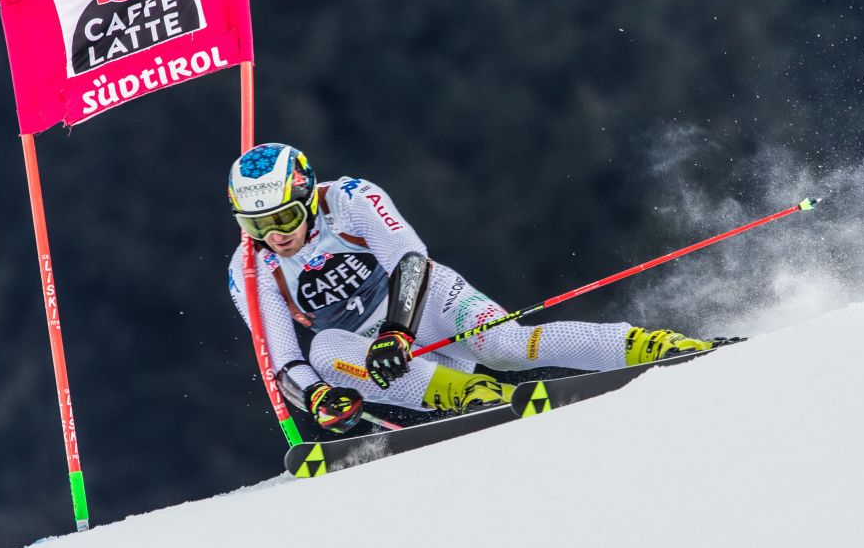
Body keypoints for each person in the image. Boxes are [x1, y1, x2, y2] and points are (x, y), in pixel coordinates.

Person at [227, 142, 722, 435]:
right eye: (256, 225)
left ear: (306, 197)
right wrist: (316, 399)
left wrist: (398, 331)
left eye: (285, 216)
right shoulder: (247, 269)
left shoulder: (352, 199)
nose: (275, 235)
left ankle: (651, 346)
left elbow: (411, 260)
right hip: (368, 354)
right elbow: (280, 356)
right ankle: (475, 395)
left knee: (507, 346)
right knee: (327, 349)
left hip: (418, 306)